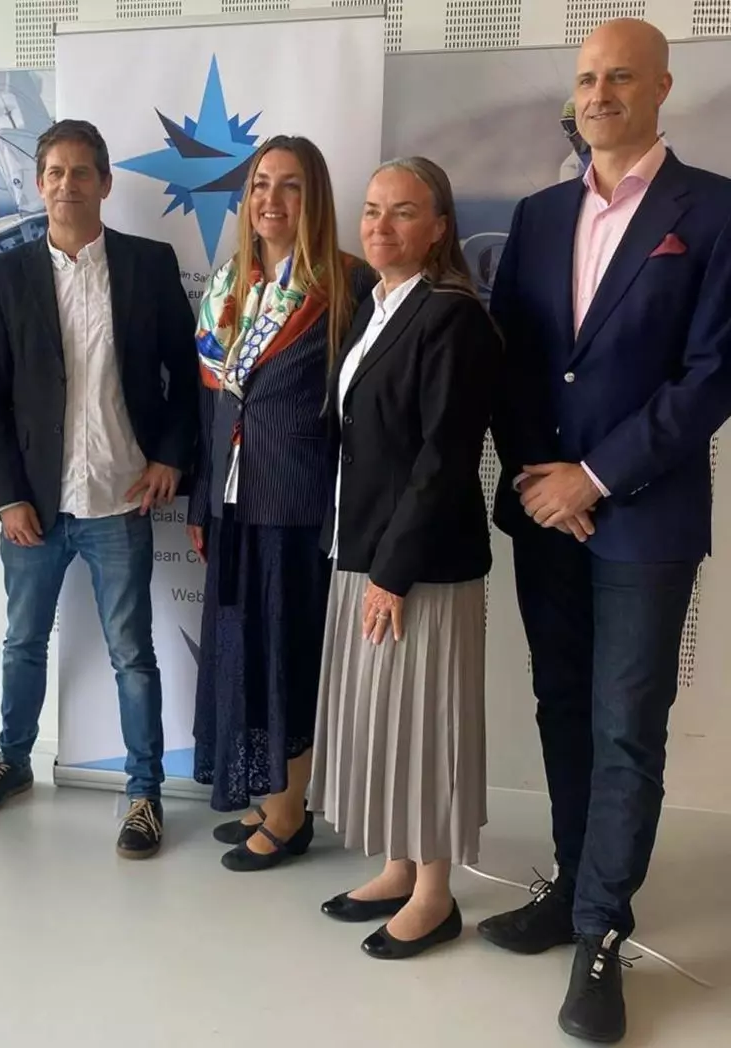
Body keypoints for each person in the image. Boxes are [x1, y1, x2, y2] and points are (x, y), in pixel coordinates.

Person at [484, 18, 731, 1044]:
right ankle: (573, 884)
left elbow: (713, 374)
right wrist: (542, 480)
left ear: (662, 86)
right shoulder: (538, 215)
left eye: (620, 76)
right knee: (562, 707)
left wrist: (592, 476)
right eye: (587, 78)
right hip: (546, 512)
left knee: (627, 725)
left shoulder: (713, 210)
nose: (599, 93)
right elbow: (509, 361)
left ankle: (600, 931)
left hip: (644, 517)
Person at [0, 119, 196, 859]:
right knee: (22, 643)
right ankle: (13, 761)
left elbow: (186, 373)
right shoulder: (7, 276)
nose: (66, 184)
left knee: (132, 653)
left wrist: (170, 457)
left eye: (80, 172)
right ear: (39, 184)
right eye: (54, 172)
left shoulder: (148, 266)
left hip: (120, 498)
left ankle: (144, 793)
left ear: (104, 182)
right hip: (35, 505)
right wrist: (7, 496)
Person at [308, 157, 498, 959]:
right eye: (372, 210)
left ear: (440, 227)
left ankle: (435, 894)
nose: (381, 226)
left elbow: (443, 458)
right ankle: (397, 866)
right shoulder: (375, 306)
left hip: (419, 564)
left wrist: (391, 572)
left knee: (427, 727)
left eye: (404, 212)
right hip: (363, 547)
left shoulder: (452, 317)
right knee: (385, 719)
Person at [186, 135, 368, 871]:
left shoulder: (345, 286)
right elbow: (214, 410)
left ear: (313, 198)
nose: (271, 199)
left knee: (286, 654)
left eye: (290, 186)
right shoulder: (232, 285)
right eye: (261, 184)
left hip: (297, 506)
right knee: (242, 652)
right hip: (233, 501)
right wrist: (202, 499)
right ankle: (269, 795)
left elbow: (359, 412)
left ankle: (291, 812)